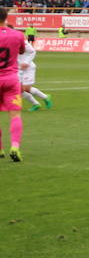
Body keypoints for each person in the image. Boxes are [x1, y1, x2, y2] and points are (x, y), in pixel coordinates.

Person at [0, 8, 26, 162]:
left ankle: (0, 149)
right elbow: (22, 51)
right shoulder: (17, 35)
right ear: (6, 17)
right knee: (15, 115)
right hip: (11, 79)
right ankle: (15, 146)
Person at [19, 39, 52, 112]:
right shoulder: (4, 41)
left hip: (27, 67)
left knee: (26, 88)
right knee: (19, 89)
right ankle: (36, 103)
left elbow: (32, 51)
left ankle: (45, 97)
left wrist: (26, 62)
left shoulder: (20, 40)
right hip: (16, 68)